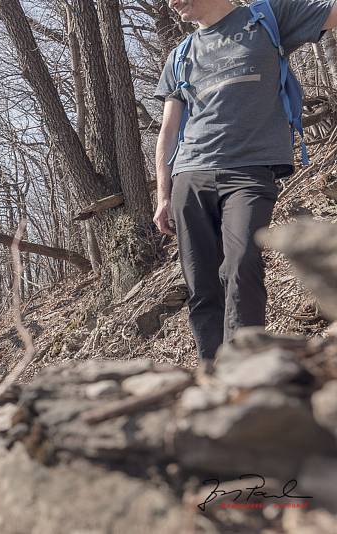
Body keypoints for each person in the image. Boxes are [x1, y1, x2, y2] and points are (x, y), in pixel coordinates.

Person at [154, 0, 337, 368]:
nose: (171, 2)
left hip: (250, 170)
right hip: (190, 175)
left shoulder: (267, 17)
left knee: (241, 265)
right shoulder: (180, 55)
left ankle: (243, 370)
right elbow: (169, 129)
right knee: (201, 285)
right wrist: (162, 194)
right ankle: (212, 374)